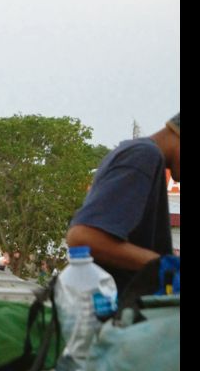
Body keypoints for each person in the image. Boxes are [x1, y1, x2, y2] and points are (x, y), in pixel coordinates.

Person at [66, 113, 180, 291]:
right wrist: (165, 266)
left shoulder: (141, 156)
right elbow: (82, 237)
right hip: (110, 310)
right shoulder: (143, 155)